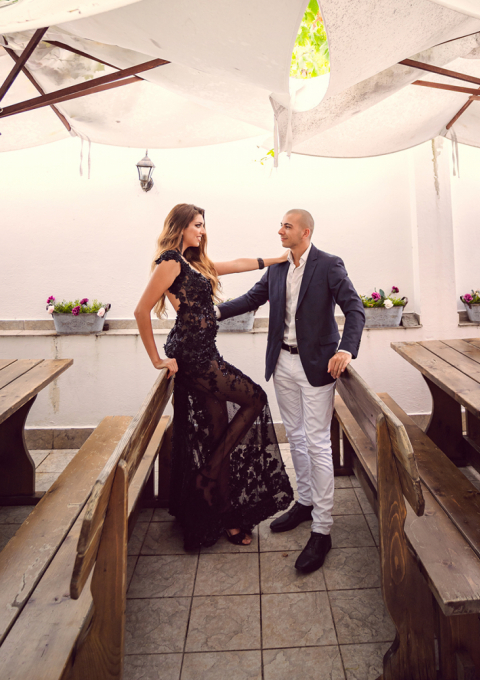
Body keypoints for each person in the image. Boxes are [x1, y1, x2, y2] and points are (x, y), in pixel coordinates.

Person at [134, 203, 293, 552]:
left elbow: (235, 265)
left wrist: (275, 260)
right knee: (256, 398)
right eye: (196, 225)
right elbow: (140, 310)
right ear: (180, 226)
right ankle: (207, 476)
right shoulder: (170, 261)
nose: (202, 231)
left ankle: (221, 509)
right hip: (194, 359)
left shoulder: (193, 263)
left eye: (203, 225)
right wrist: (157, 360)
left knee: (219, 432)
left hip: (207, 354)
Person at [216, 209, 365, 573]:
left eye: (287, 226)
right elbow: (251, 299)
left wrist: (346, 349)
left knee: (316, 441)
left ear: (305, 231)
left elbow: (355, 308)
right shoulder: (278, 267)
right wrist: (211, 312)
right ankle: (305, 502)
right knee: (295, 437)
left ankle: (323, 528)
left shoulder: (329, 264)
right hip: (282, 363)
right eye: (281, 224)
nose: (280, 230)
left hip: (317, 366)